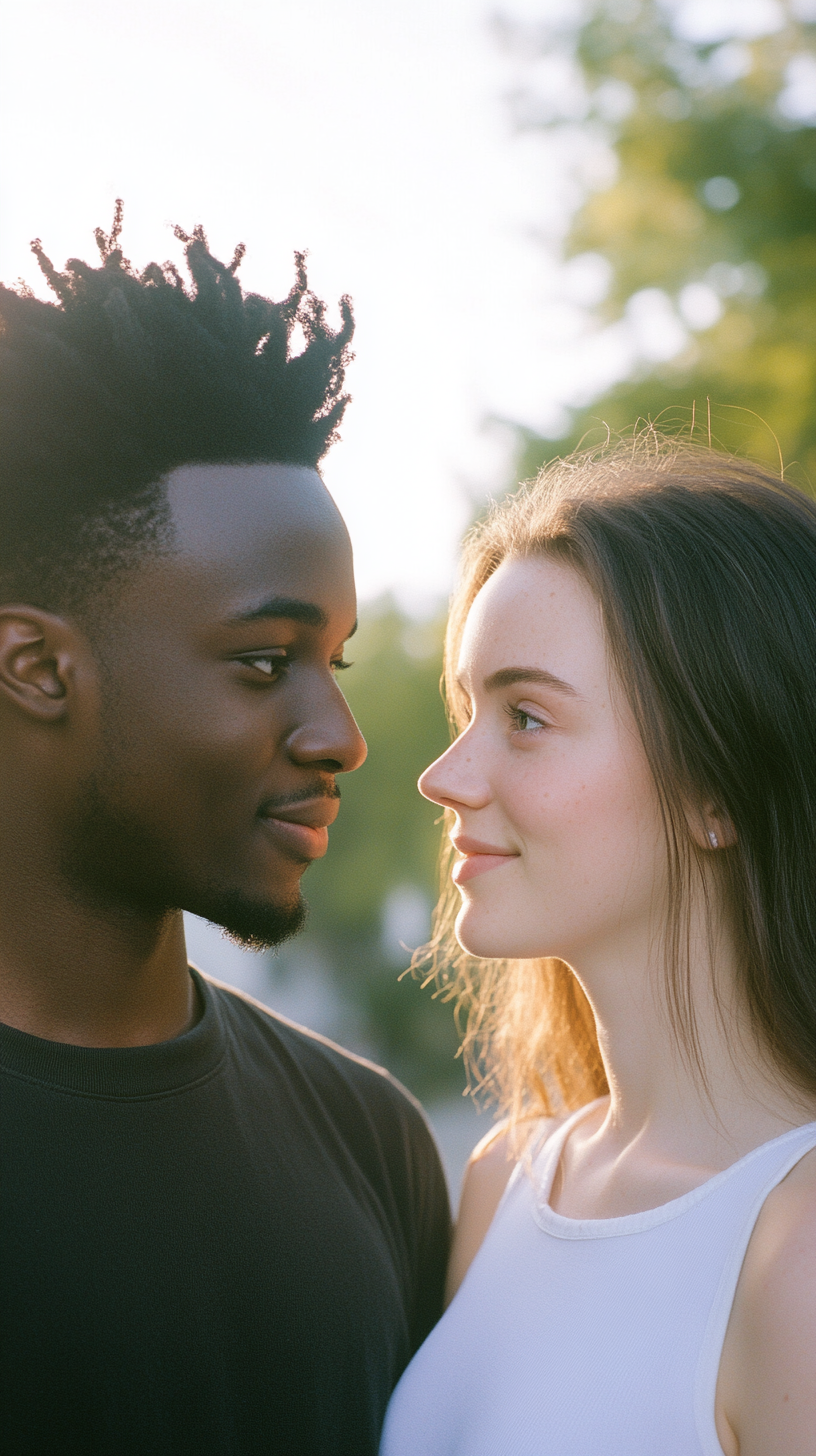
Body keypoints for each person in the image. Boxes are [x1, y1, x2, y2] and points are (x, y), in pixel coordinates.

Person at [0, 207, 450, 1456]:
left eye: (336, 660)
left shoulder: (372, 1144)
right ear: (38, 666)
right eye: (265, 661)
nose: (344, 735)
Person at [380, 439, 816, 1456]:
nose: (446, 774)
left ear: (717, 790)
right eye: (466, 708)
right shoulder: (506, 1183)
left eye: (525, 716)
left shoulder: (795, 1257)